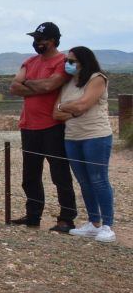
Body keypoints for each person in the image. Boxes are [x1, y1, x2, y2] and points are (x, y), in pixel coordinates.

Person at [9, 22, 77, 233]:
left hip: (53, 126)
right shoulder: (30, 61)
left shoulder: (62, 62)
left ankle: (66, 218)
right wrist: (38, 84)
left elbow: (51, 85)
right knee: (30, 175)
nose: (37, 43)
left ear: (54, 40)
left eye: (41, 39)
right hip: (29, 126)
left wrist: (28, 82)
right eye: (35, 39)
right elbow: (14, 87)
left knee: (60, 175)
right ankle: (33, 215)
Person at [54, 47, 116, 243]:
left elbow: (84, 104)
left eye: (72, 61)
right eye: (67, 60)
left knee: (98, 179)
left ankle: (107, 225)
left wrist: (68, 108)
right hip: (72, 136)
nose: (68, 64)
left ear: (83, 61)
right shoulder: (68, 83)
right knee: (84, 181)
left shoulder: (97, 78)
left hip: (95, 136)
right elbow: (56, 113)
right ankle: (93, 222)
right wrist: (71, 109)